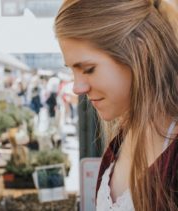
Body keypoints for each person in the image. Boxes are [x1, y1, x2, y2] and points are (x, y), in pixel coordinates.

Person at [55, 0, 178, 210]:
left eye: (88, 69)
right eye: (72, 71)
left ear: (141, 51)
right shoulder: (119, 143)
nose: (77, 88)